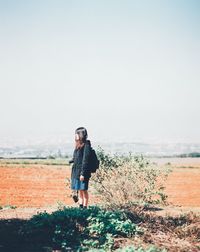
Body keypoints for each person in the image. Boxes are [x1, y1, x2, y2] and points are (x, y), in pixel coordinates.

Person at [70, 127, 91, 208]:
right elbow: (77, 157)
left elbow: (85, 160)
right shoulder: (78, 145)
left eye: (77, 133)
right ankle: (80, 207)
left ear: (81, 134)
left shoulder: (86, 145)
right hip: (76, 171)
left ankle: (85, 208)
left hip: (83, 172)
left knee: (84, 190)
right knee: (79, 190)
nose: (75, 135)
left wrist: (82, 173)